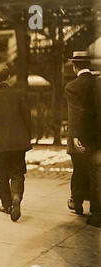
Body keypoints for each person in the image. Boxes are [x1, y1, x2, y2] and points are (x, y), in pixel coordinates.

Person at [0, 65, 32, 222]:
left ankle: (7, 204)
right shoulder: (18, 95)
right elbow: (27, 117)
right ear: (9, 77)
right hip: (18, 142)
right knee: (17, 172)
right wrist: (27, 137)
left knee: (1, 175)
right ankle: (16, 196)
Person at [65, 51, 101, 227]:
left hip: (81, 136)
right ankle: (96, 210)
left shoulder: (72, 86)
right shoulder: (98, 83)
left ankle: (77, 203)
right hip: (98, 136)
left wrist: (76, 136)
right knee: (96, 172)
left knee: (79, 169)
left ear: (74, 67)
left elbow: (76, 114)